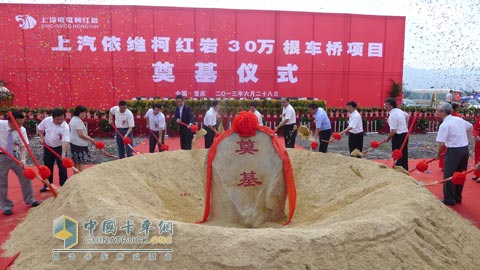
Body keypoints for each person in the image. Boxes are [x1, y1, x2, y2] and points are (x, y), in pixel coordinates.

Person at [0, 111, 41, 216]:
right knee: (2, 182)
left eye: (21, 123)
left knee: (26, 176)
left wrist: (23, 161)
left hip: (16, 155)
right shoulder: (1, 125)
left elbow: (23, 146)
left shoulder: (21, 130)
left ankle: (30, 199)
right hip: (1, 156)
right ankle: (6, 206)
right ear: (10, 121)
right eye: (17, 123)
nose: (19, 126)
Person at [434, 102, 472, 206]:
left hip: (454, 151)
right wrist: (468, 140)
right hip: (464, 149)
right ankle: (457, 197)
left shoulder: (445, 125)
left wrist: (438, 154)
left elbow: (441, 143)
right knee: (460, 174)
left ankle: (449, 199)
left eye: (438, 110)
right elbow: (470, 127)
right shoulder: (458, 119)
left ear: (443, 112)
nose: (436, 112)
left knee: (449, 175)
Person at [38, 108, 70, 192]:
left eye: (62, 119)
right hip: (48, 146)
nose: (60, 121)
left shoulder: (65, 126)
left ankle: (64, 185)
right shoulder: (47, 121)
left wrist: (63, 154)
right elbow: (40, 129)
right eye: (58, 119)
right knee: (47, 166)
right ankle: (47, 184)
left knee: (62, 167)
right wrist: (41, 138)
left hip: (59, 147)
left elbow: (65, 141)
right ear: (53, 118)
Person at [384, 98, 409, 170]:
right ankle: (404, 168)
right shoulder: (399, 110)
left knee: (397, 153)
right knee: (403, 153)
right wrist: (405, 126)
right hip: (404, 134)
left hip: (398, 136)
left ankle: (399, 168)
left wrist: (388, 138)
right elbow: (407, 116)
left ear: (391, 106)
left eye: (387, 105)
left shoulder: (392, 116)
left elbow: (393, 131)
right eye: (385, 104)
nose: (385, 106)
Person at [69, 105, 95, 172]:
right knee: (81, 162)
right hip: (79, 144)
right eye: (83, 113)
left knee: (76, 162)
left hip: (74, 143)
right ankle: (81, 177)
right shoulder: (78, 121)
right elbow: (80, 134)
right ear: (79, 112)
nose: (84, 114)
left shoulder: (73, 119)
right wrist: (90, 139)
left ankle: (76, 176)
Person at [439, 103, 459, 171]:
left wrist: (437, 154)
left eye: (439, 111)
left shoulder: (454, 118)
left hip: (452, 143)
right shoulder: (457, 118)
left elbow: (441, 143)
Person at [473, 116, 480, 182]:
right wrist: (476, 135)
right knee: (477, 156)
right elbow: (475, 128)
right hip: (479, 141)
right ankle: (476, 173)